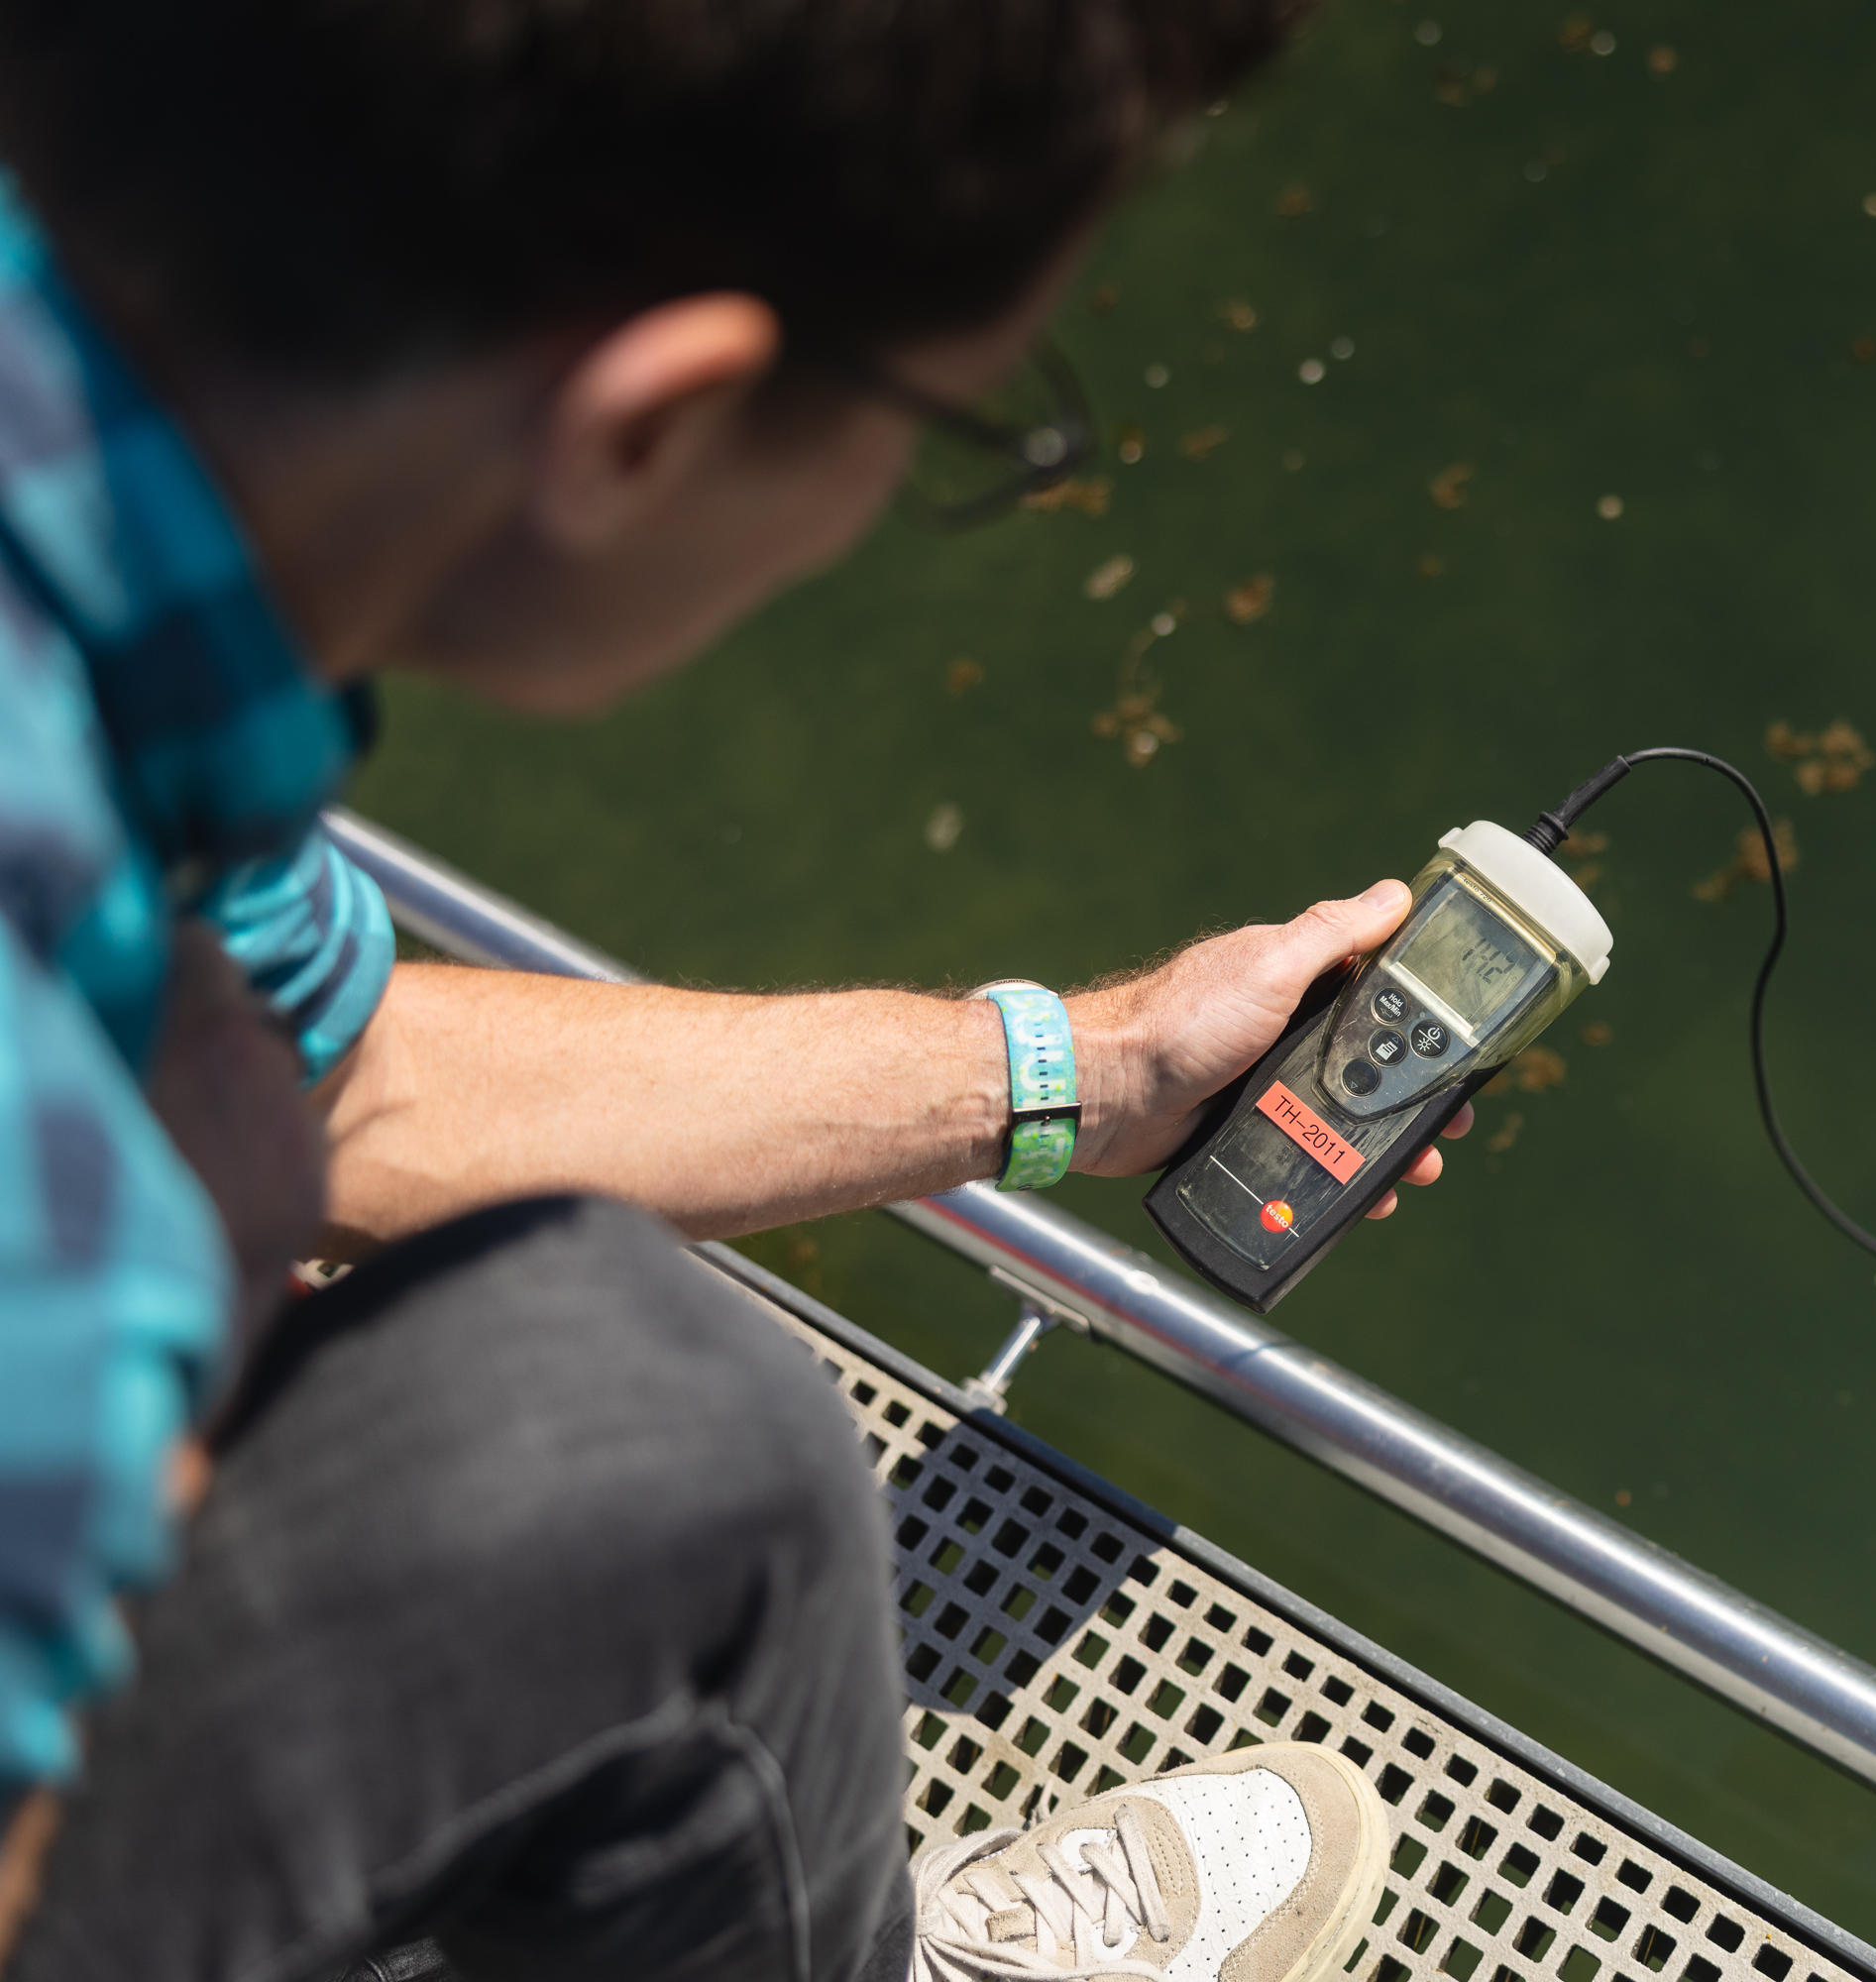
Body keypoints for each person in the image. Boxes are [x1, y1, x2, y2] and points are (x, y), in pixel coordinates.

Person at [0, 1, 1464, 1976]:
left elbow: (352, 1075)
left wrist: (1086, 1073)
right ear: (648, 426)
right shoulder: (51, 1218)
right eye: (953, 422)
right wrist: (147, 1404)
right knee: (680, 1451)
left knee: (628, 1442)